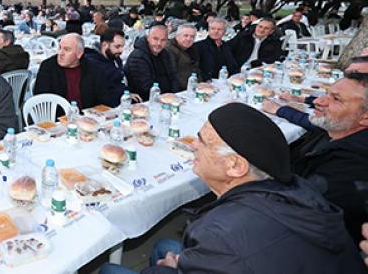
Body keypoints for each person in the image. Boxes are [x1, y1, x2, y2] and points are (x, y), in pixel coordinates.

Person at [101, 103, 366, 274]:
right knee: (164, 246)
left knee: (111, 270)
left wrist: (168, 270)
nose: (193, 146)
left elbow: (233, 249)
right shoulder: (298, 190)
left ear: (236, 166)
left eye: (202, 142)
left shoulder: (221, 235)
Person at [289, 72, 368, 245]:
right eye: (326, 93)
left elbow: (301, 218)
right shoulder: (340, 138)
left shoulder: (347, 167)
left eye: (336, 99)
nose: (318, 101)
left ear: (365, 117)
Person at [33, 33, 112, 109]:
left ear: (79, 54)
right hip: (57, 116)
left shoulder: (94, 70)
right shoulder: (48, 67)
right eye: (60, 48)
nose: (60, 53)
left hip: (87, 115)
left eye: (67, 49)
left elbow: (104, 101)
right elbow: (41, 101)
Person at [124, 26, 180, 100]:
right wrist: (166, 96)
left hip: (167, 97)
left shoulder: (164, 53)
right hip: (146, 100)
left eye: (163, 40)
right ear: (148, 38)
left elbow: (173, 76)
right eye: (155, 39)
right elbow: (145, 87)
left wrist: (175, 94)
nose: (159, 43)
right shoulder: (138, 57)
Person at [83, 28, 126, 107]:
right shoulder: (92, 64)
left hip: (119, 101)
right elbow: (105, 93)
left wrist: (127, 94)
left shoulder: (114, 58)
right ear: (104, 45)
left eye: (122, 46)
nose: (121, 50)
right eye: (117, 47)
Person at [165, 24, 201, 88]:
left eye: (192, 37)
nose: (189, 39)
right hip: (178, 89)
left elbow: (196, 69)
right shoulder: (169, 49)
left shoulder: (192, 48)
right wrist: (194, 86)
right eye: (185, 35)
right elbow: (172, 75)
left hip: (193, 86)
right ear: (177, 36)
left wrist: (200, 83)